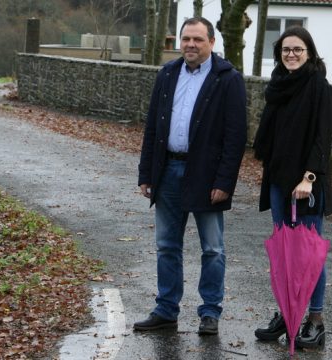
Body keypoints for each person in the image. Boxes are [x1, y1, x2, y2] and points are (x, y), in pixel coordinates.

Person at [134, 17, 247, 335]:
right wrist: (147, 172)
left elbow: (235, 137)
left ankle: (210, 312)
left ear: (211, 42)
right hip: (167, 171)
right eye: (186, 39)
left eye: (198, 39)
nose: (191, 45)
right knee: (167, 245)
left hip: (206, 176)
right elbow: (153, 127)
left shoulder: (227, 79)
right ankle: (166, 309)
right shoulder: (168, 74)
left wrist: (224, 182)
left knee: (212, 248)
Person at [253, 26, 332, 349]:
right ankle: (288, 316)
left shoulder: (319, 88)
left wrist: (309, 177)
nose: (291, 55)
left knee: (309, 255)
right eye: (286, 50)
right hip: (278, 180)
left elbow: (322, 138)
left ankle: (315, 321)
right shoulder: (278, 86)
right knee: (285, 253)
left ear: (309, 53)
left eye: (297, 50)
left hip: (306, 184)